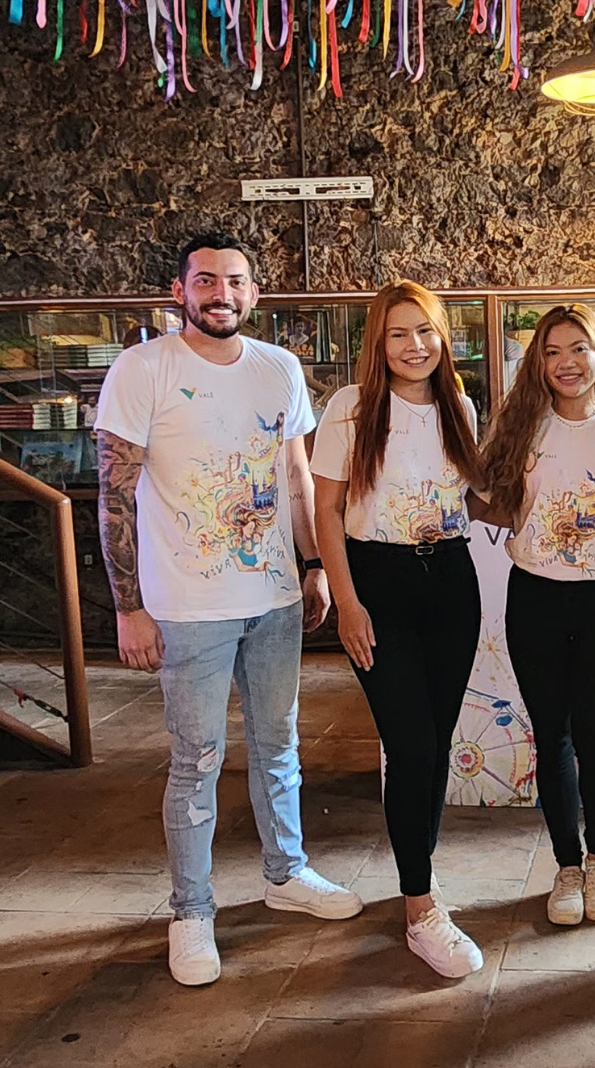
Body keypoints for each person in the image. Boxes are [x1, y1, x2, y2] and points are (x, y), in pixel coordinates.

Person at [95, 232, 361, 989]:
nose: (222, 293)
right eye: (207, 280)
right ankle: (191, 910)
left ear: (254, 292)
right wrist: (128, 607)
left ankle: (287, 873)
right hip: (187, 609)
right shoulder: (143, 368)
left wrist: (314, 566)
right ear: (180, 291)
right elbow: (113, 494)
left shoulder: (279, 368)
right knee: (197, 760)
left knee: (280, 746)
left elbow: (299, 477)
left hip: (274, 598)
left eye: (236, 281)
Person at [311, 281, 486, 979]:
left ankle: (422, 876)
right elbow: (327, 512)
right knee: (410, 748)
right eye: (398, 334)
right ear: (377, 343)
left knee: (434, 745)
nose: (415, 346)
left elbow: (473, 497)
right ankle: (420, 910)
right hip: (378, 584)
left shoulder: (459, 406)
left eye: (426, 331)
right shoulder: (351, 408)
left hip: (451, 580)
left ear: (443, 337)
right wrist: (348, 602)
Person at [475, 305, 595, 927]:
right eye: (552, 352)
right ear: (538, 362)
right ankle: (567, 865)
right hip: (535, 599)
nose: (567, 363)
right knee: (552, 737)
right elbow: (489, 502)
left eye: (579, 348)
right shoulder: (520, 424)